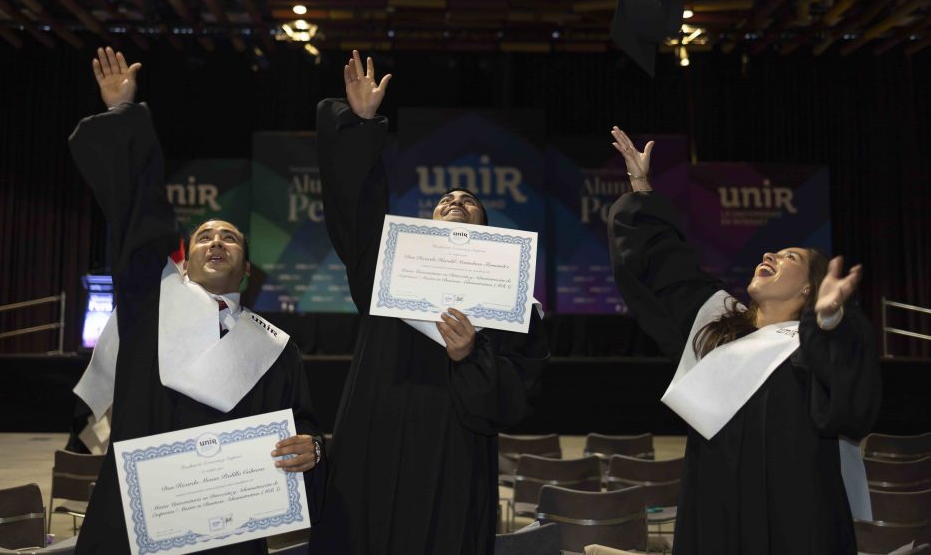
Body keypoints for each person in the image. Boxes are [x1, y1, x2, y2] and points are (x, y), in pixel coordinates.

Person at [70, 47, 325, 555]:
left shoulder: (276, 350)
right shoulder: (150, 303)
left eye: (230, 238)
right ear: (184, 263)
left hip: (229, 531)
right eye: (205, 236)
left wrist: (312, 449)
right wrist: (123, 114)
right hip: (134, 522)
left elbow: (302, 429)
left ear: (247, 270)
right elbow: (137, 214)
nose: (215, 242)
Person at [308, 51, 549, 554]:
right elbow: (354, 213)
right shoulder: (388, 269)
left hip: (453, 458)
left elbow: (513, 401)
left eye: (468, 202)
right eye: (445, 201)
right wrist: (363, 126)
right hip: (372, 444)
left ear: (487, 230)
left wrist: (470, 358)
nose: (455, 202)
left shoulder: (516, 303)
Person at [606, 126, 881, 554]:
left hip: (798, 522)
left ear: (811, 288)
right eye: (771, 252)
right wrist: (641, 186)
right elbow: (663, 267)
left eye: (790, 257)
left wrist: (828, 322)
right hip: (715, 518)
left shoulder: (819, 343)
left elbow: (851, 409)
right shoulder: (716, 325)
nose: (769, 255)